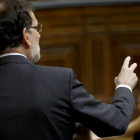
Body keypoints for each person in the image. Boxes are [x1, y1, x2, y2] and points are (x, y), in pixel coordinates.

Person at [0, 0, 138, 139]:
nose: (40, 35)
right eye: (37, 28)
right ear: (26, 36)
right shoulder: (60, 81)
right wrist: (124, 86)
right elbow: (116, 122)